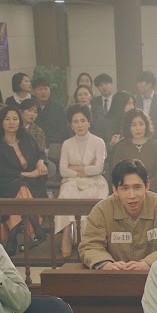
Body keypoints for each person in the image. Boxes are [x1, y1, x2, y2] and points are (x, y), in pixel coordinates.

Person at [80, 159, 157, 271]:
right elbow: (90, 246)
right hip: (114, 276)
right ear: (115, 189)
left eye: (137, 187)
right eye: (125, 188)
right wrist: (105, 264)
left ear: (147, 186)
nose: (132, 195)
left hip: (155, 275)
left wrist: (148, 263)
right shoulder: (101, 211)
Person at [0, 106, 48, 255]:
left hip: (33, 185)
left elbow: (40, 153)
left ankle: (13, 237)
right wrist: (27, 174)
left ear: (19, 122)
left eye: (15, 119)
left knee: (22, 189)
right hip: (7, 185)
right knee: (21, 188)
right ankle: (36, 230)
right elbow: (1, 171)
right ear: (1, 122)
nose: (11, 122)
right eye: (7, 119)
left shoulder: (28, 139)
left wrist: (40, 162)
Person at [55, 104, 108, 258]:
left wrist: (75, 168)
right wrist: (85, 169)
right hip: (72, 182)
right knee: (66, 193)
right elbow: (63, 170)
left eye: (83, 120)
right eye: (75, 121)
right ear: (71, 125)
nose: (79, 125)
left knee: (92, 195)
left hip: (95, 182)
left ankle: (87, 240)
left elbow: (98, 169)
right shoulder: (67, 143)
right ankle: (67, 234)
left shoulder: (99, 142)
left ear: (89, 122)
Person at [109, 108, 157, 194]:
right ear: (128, 127)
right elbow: (116, 173)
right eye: (134, 125)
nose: (138, 128)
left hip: (150, 191)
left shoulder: (155, 147)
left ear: (146, 125)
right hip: (127, 191)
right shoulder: (121, 147)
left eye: (141, 124)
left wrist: (143, 187)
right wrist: (131, 187)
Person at [32, 77, 69, 174]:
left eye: (46, 89)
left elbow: (63, 131)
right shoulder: (30, 109)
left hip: (53, 146)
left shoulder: (58, 109)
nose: (43, 92)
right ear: (33, 91)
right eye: (40, 89)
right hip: (34, 147)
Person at [135, 70, 157, 137]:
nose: (138, 85)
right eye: (138, 82)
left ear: (149, 85)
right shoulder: (135, 100)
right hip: (138, 136)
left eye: (140, 82)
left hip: (156, 137)